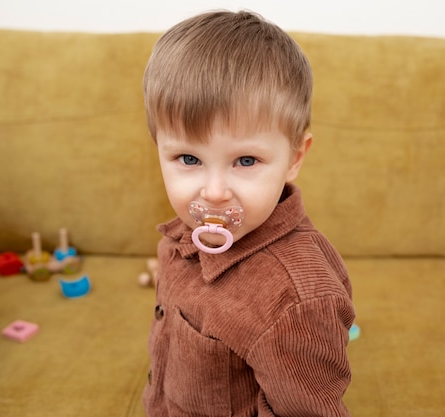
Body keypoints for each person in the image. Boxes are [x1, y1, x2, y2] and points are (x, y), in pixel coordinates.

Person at [142, 10, 355, 417]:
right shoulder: (178, 239)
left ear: (294, 158)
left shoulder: (295, 302)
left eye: (245, 160)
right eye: (188, 157)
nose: (215, 192)